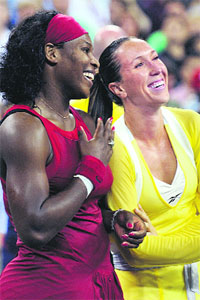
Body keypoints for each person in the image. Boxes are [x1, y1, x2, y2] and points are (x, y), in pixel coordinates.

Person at [0, 12, 146, 300]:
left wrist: (113, 219)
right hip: (44, 287)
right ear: (52, 53)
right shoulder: (23, 126)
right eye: (85, 49)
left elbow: (82, 212)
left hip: (99, 283)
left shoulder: (87, 123)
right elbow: (35, 228)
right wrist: (90, 171)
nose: (95, 61)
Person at [88, 37, 200, 300]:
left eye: (155, 58)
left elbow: (149, 246)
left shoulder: (192, 124)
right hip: (141, 291)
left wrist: (157, 241)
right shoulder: (115, 146)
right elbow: (135, 250)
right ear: (118, 88)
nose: (156, 68)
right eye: (139, 65)